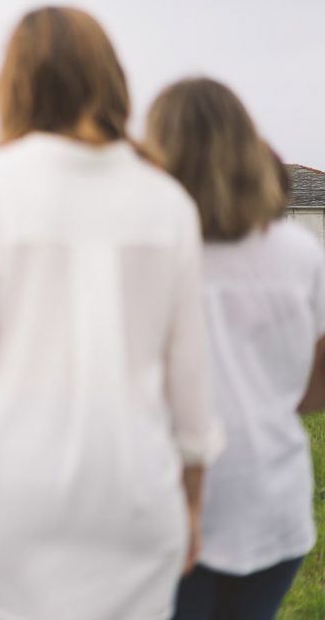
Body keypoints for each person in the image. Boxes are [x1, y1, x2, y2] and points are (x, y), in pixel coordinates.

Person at [0, 6, 224, 620]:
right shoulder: (167, 202)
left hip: (12, 498)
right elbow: (190, 382)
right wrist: (190, 505)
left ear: (16, 85)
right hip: (135, 501)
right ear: (110, 79)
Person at [145, 78, 325, 620]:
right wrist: (258, 403)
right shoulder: (301, 253)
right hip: (274, 498)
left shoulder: (148, 254)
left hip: (170, 501)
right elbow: (318, 387)